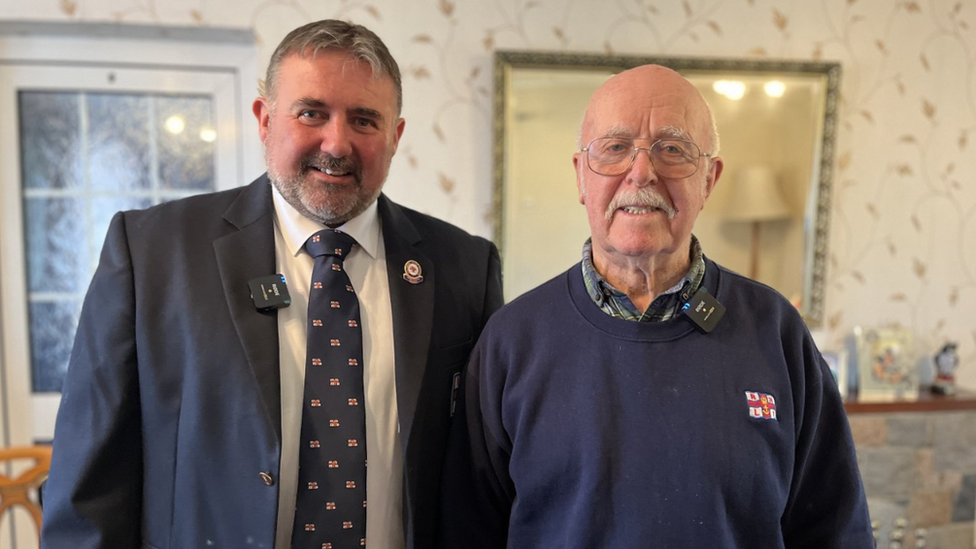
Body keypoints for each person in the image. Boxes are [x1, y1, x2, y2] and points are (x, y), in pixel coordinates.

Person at [41, 19, 502, 549]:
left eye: (364, 120)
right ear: (264, 120)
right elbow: (87, 487)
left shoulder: (464, 266)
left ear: (395, 137)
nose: (337, 142)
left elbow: (482, 477)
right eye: (312, 113)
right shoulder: (151, 252)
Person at [439, 65, 872, 548]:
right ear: (581, 176)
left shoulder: (776, 332)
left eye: (672, 149)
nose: (641, 172)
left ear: (709, 179)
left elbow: (836, 530)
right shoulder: (511, 342)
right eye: (615, 148)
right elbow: (467, 531)